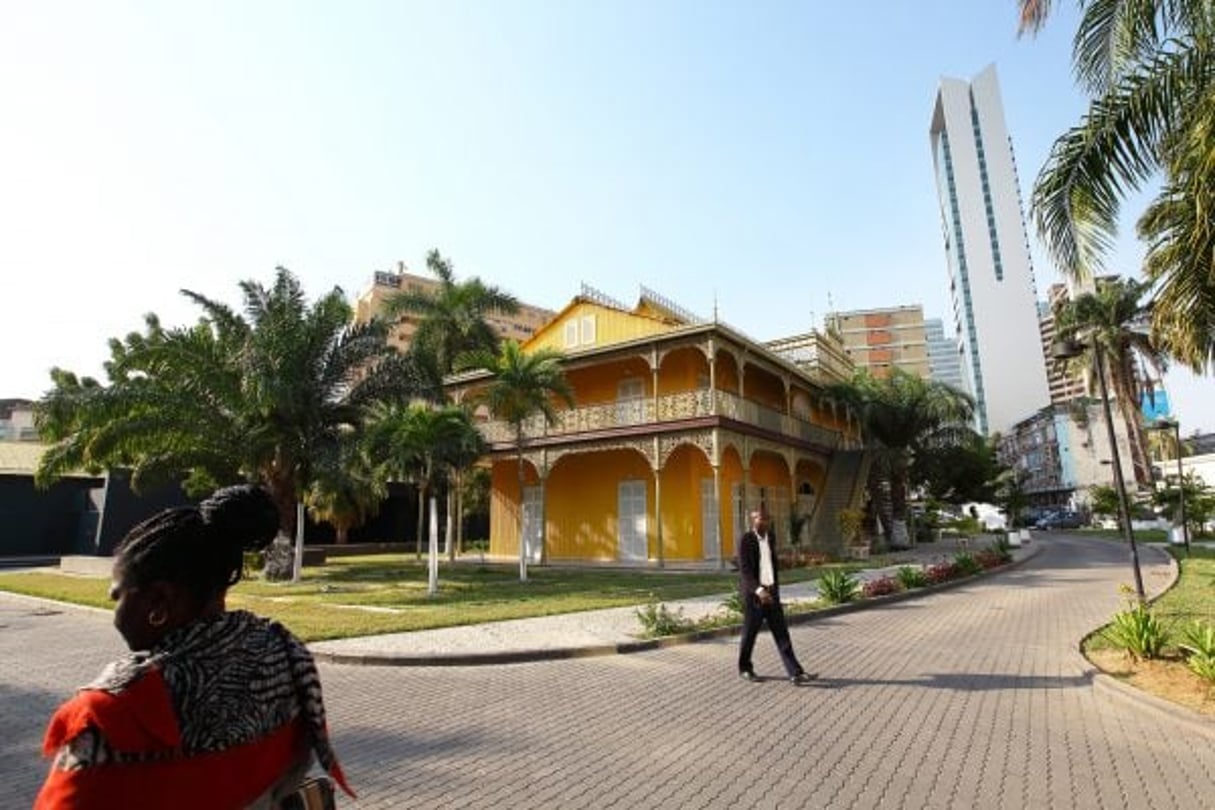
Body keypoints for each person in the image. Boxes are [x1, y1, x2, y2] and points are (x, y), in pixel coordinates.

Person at [35, 485, 354, 809]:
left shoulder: (112, 716)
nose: (114, 609)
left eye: (118, 596)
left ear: (158, 602)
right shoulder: (285, 657)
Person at [736, 507, 817, 685]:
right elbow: (745, 571)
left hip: (771, 593)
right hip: (754, 595)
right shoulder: (746, 540)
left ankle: (795, 672)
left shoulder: (770, 538)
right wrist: (759, 590)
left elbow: (771, 566)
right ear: (753, 519)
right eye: (759, 519)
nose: (763, 522)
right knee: (749, 634)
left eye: (766, 519)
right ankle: (745, 668)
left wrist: (774, 590)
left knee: (782, 633)